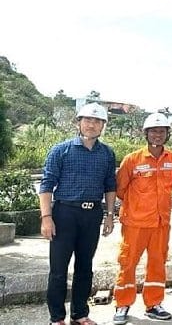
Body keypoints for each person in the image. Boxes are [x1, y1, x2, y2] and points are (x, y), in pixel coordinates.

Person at [39, 103, 117, 325]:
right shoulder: (61, 150)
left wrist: (109, 215)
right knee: (58, 270)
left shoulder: (107, 153)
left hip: (92, 215)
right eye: (87, 120)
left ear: (103, 126)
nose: (92, 125)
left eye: (97, 121)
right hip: (64, 214)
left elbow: (110, 185)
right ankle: (57, 318)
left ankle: (80, 314)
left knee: (85, 267)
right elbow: (46, 185)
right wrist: (46, 218)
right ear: (78, 123)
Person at [112, 113, 172, 325]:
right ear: (146, 134)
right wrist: (138, 206)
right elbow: (120, 189)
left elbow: (171, 185)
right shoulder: (132, 160)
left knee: (158, 263)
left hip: (161, 223)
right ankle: (122, 304)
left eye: (162, 131)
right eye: (153, 131)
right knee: (128, 263)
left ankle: (154, 304)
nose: (157, 135)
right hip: (135, 223)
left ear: (167, 134)